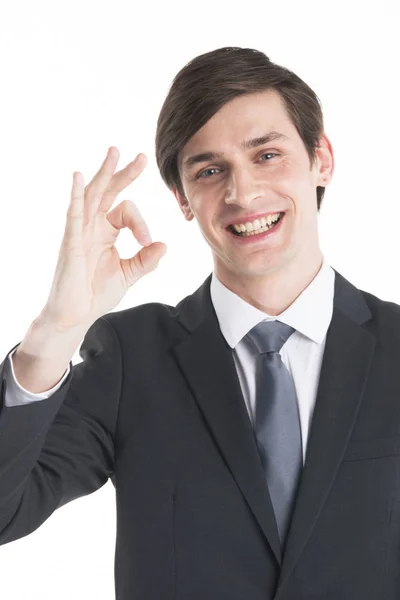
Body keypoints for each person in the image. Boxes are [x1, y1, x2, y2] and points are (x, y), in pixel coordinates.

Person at [0, 46, 397, 600]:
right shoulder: (128, 356)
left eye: (267, 156)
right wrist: (55, 331)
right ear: (183, 199)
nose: (242, 193)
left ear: (321, 158)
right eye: (210, 171)